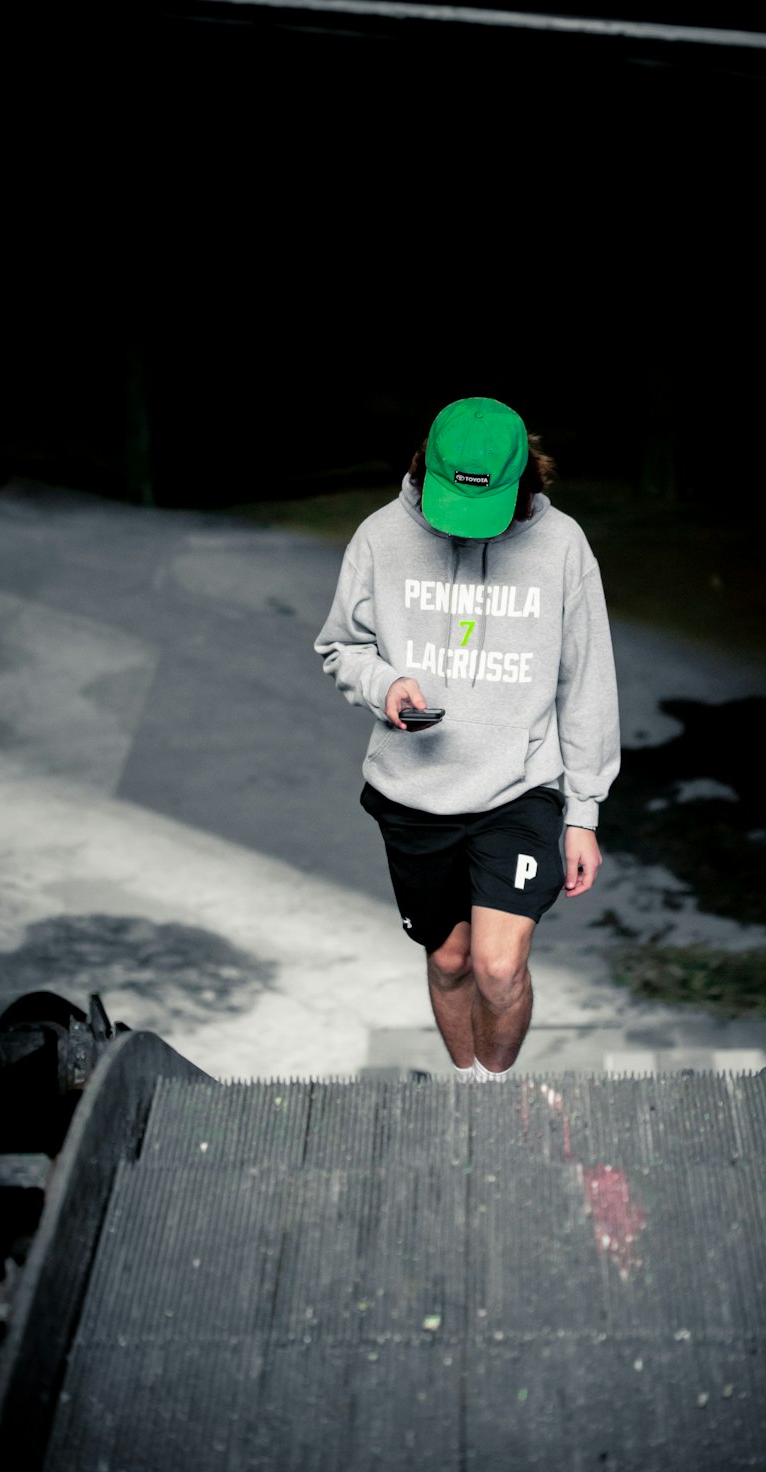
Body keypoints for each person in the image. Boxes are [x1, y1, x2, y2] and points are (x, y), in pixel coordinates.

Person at [314, 396, 620, 1080]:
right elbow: (341, 646)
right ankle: (466, 1089)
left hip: (521, 788)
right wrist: (383, 684)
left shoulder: (562, 546)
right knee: (450, 961)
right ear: (424, 470)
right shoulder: (380, 537)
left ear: (524, 482)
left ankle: (494, 1094)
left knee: (498, 964)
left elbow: (587, 681)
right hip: (414, 791)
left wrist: (583, 812)